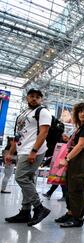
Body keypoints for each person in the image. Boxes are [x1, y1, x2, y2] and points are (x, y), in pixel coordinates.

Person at [5, 89, 51, 226]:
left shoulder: (42, 111)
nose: (34, 99)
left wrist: (34, 151)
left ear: (41, 99)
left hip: (33, 150)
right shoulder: (24, 114)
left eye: (37, 97)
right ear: (27, 98)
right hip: (22, 149)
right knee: (28, 179)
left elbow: (44, 132)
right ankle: (25, 212)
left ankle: (39, 208)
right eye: (31, 96)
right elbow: (18, 135)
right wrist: (11, 152)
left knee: (20, 177)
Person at [57, 102, 84, 227]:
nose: (82, 113)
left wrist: (67, 158)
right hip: (77, 157)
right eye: (80, 111)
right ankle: (71, 213)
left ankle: (77, 218)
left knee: (78, 187)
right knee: (71, 186)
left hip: (82, 157)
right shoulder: (81, 127)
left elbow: (81, 145)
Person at [42, 133, 70, 201]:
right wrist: (45, 163)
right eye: (64, 136)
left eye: (66, 136)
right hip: (58, 166)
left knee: (60, 181)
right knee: (58, 180)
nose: (66, 137)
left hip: (64, 166)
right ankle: (50, 193)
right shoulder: (58, 145)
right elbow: (54, 156)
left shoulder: (69, 146)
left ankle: (51, 194)